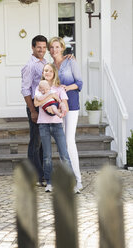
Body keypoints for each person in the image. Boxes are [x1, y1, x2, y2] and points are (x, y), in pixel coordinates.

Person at [48, 37, 83, 193]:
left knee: (69, 141)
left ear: (62, 48)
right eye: (52, 47)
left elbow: (79, 83)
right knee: (61, 143)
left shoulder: (71, 62)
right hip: (56, 107)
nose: (54, 50)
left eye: (57, 47)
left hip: (72, 105)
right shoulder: (49, 66)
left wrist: (66, 88)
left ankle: (78, 180)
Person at [34, 63, 73, 192]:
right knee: (47, 155)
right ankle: (49, 182)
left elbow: (65, 105)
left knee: (64, 154)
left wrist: (62, 108)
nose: (47, 73)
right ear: (43, 73)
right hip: (43, 125)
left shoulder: (60, 89)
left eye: (50, 71)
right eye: (45, 71)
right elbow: (36, 102)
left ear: (54, 73)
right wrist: (51, 96)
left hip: (57, 124)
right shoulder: (39, 87)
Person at [21, 35, 48, 186]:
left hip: (44, 106)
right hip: (35, 106)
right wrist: (33, 111)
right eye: (39, 47)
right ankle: (35, 176)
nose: (42, 50)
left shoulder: (44, 62)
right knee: (35, 142)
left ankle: (42, 173)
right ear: (32, 48)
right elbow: (25, 90)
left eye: (44, 48)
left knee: (42, 141)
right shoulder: (30, 66)